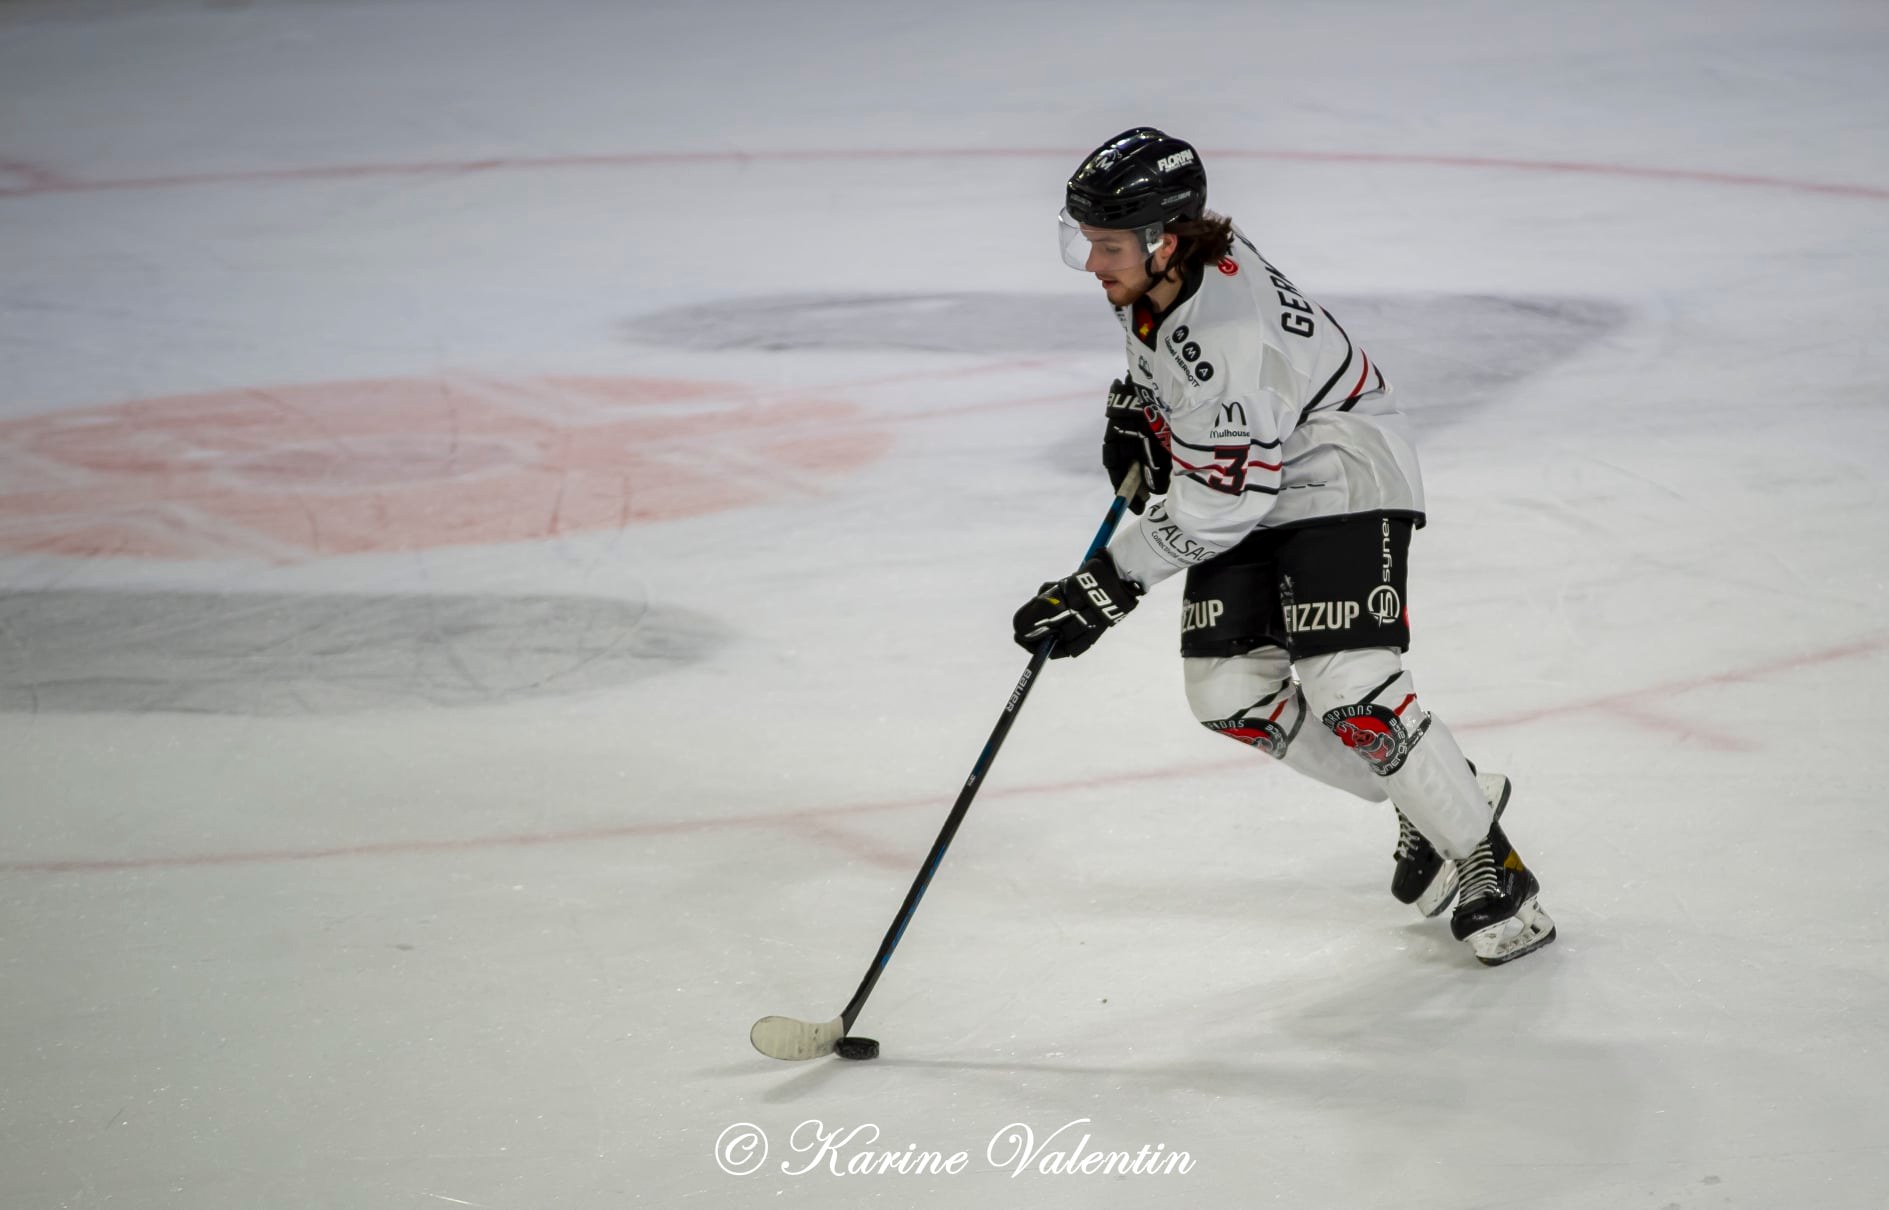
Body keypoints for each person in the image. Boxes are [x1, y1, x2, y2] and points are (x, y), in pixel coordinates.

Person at [1011, 127, 1556, 966]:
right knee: (1230, 694)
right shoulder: (1167, 270)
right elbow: (1182, 394)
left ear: (1164, 238)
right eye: (1082, 241)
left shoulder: (1228, 342)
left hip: (1340, 470)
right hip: (1258, 469)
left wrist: (1106, 584)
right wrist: (1136, 406)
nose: (1091, 264)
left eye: (1106, 245)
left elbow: (1220, 503)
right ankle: (1439, 792)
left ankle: (1491, 861)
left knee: (1354, 687)